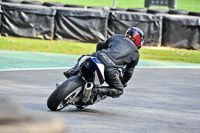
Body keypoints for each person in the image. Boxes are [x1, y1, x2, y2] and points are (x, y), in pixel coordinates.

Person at [64, 27, 144, 102]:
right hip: (109, 68)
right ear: (138, 39)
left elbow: (100, 44)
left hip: (97, 57)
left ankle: (73, 70)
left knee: (86, 56)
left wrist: (100, 55)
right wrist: (123, 83)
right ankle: (95, 90)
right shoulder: (135, 54)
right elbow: (129, 72)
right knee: (119, 90)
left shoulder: (117, 37)